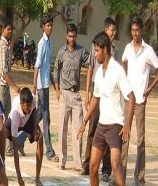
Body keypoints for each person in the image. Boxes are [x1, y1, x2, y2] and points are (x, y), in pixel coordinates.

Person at [77, 32, 136, 186]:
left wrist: (127, 124)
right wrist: (84, 122)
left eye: (97, 50)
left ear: (105, 50)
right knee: (93, 166)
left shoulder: (117, 70)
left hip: (115, 126)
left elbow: (132, 98)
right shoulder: (98, 73)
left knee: (115, 164)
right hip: (101, 126)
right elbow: (96, 98)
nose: (95, 54)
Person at [121, 16, 158, 185]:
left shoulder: (148, 50)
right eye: (132, 30)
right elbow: (123, 61)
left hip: (140, 100)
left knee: (140, 139)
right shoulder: (128, 48)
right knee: (124, 136)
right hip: (127, 99)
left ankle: (139, 177)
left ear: (141, 31)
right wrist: (125, 81)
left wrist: (149, 89)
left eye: (137, 30)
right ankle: (121, 174)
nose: (135, 33)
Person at [83, 17, 119, 179]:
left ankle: (106, 170)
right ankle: (88, 163)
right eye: (112, 30)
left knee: (109, 135)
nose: (114, 33)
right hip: (97, 93)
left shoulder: (115, 51)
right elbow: (90, 69)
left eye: (115, 31)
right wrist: (87, 92)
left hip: (109, 98)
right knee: (93, 129)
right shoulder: (95, 47)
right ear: (106, 31)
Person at [52, 23, 88, 172]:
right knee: (63, 129)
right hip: (64, 94)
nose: (72, 38)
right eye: (70, 36)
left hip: (76, 95)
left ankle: (78, 163)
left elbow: (91, 63)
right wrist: (57, 90)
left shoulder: (81, 51)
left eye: (74, 36)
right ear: (67, 36)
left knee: (77, 130)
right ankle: (62, 161)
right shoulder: (62, 52)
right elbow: (55, 69)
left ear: (76, 36)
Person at [29, 17, 57, 161]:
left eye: (51, 26)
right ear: (43, 27)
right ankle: (50, 152)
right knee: (46, 118)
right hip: (41, 85)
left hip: (45, 84)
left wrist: (53, 83)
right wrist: (34, 85)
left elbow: (47, 66)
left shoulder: (49, 42)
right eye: (47, 26)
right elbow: (37, 65)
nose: (50, 28)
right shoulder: (41, 43)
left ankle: (22, 138)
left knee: (39, 115)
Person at [4, 87, 43, 186]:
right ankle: (0, 171)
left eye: (30, 105)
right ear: (21, 103)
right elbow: (15, 150)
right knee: (2, 135)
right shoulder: (15, 114)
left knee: (40, 137)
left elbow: (33, 111)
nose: (29, 108)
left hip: (28, 121)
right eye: (27, 106)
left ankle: (37, 178)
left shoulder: (33, 99)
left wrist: (35, 128)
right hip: (15, 121)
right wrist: (19, 178)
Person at [0, 17, 21, 157]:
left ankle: (10, 147)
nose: (10, 31)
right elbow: (4, 72)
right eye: (8, 29)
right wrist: (15, 86)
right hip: (2, 87)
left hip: (4, 88)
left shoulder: (6, 45)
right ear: (2, 30)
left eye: (11, 29)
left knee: (9, 116)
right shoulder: (3, 47)